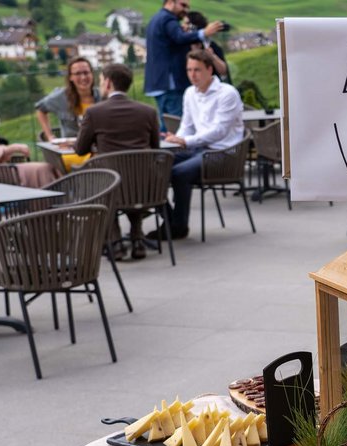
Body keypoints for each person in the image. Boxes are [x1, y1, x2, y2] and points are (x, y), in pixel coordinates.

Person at [145, 50, 243, 242]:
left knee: (179, 173)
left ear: (209, 69)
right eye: (189, 70)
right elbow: (187, 126)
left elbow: (219, 131)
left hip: (223, 152)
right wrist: (176, 139)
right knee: (152, 166)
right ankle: (171, 220)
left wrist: (186, 141)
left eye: (197, 70)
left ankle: (178, 227)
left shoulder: (227, 93)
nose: (192, 75)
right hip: (198, 150)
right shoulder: (190, 93)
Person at [74, 63, 161, 259]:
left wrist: (97, 146)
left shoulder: (94, 113)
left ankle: (115, 242)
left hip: (111, 187)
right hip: (145, 188)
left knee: (104, 180)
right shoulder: (148, 112)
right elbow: (155, 149)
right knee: (132, 177)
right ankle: (137, 238)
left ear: (108, 83)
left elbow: (80, 150)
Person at [145, 0, 225, 130]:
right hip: (171, 84)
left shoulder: (157, 19)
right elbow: (179, 38)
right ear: (170, 2)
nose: (186, 10)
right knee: (177, 127)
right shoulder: (168, 19)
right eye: (183, 5)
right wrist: (203, 33)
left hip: (160, 83)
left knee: (167, 128)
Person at [35, 57, 100, 141]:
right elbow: (40, 109)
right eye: (77, 74)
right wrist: (49, 136)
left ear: (92, 74)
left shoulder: (103, 96)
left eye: (86, 72)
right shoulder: (60, 97)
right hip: (71, 150)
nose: (83, 77)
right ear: (70, 77)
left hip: (100, 150)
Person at [186, 11, 230, 82]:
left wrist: (212, 56)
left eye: (187, 23)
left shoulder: (211, 45)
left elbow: (224, 72)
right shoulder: (183, 46)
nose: (183, 26)